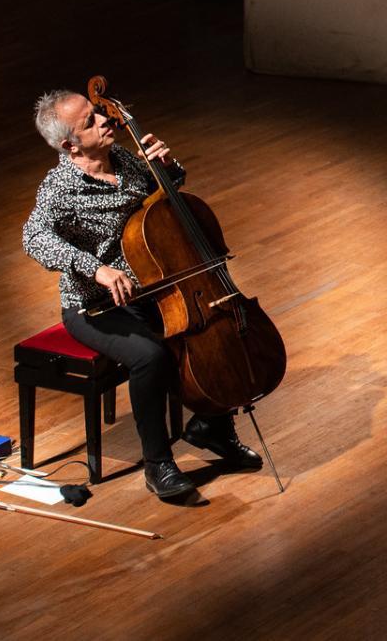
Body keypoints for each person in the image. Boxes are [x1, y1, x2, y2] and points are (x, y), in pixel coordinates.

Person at [21, 89, 261, 499]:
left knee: (205, 332)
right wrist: (95, 268)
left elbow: (166, 196)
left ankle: (213, 427)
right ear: (69, 145)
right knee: (150, 356)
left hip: (152, 287)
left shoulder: (125, 161)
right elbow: (34, 238)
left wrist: (168, 167)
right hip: (96, 307)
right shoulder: (60, 187)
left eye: (98, 112)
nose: (103, 120)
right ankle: (158, 464)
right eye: (90, 122)